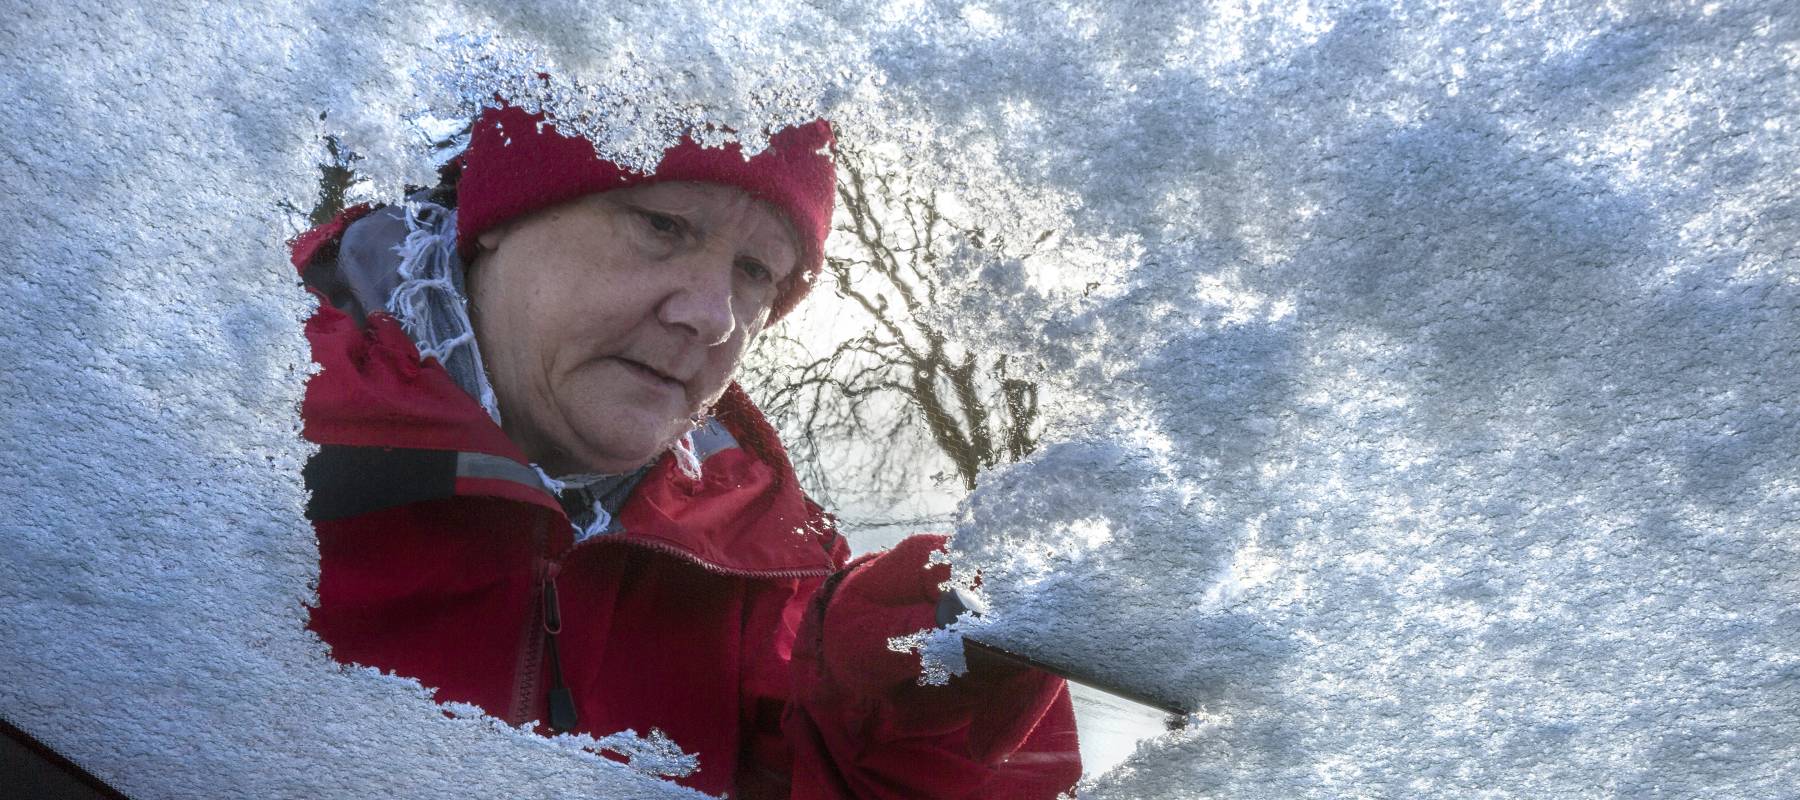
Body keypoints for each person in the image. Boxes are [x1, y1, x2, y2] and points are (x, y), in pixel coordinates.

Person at [291, 101, 1081, 799]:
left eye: (754, 271)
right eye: (663, 225)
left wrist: (916, 704)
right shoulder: (239, 433)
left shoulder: (762, 560)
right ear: (494, 214)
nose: (713, 317)